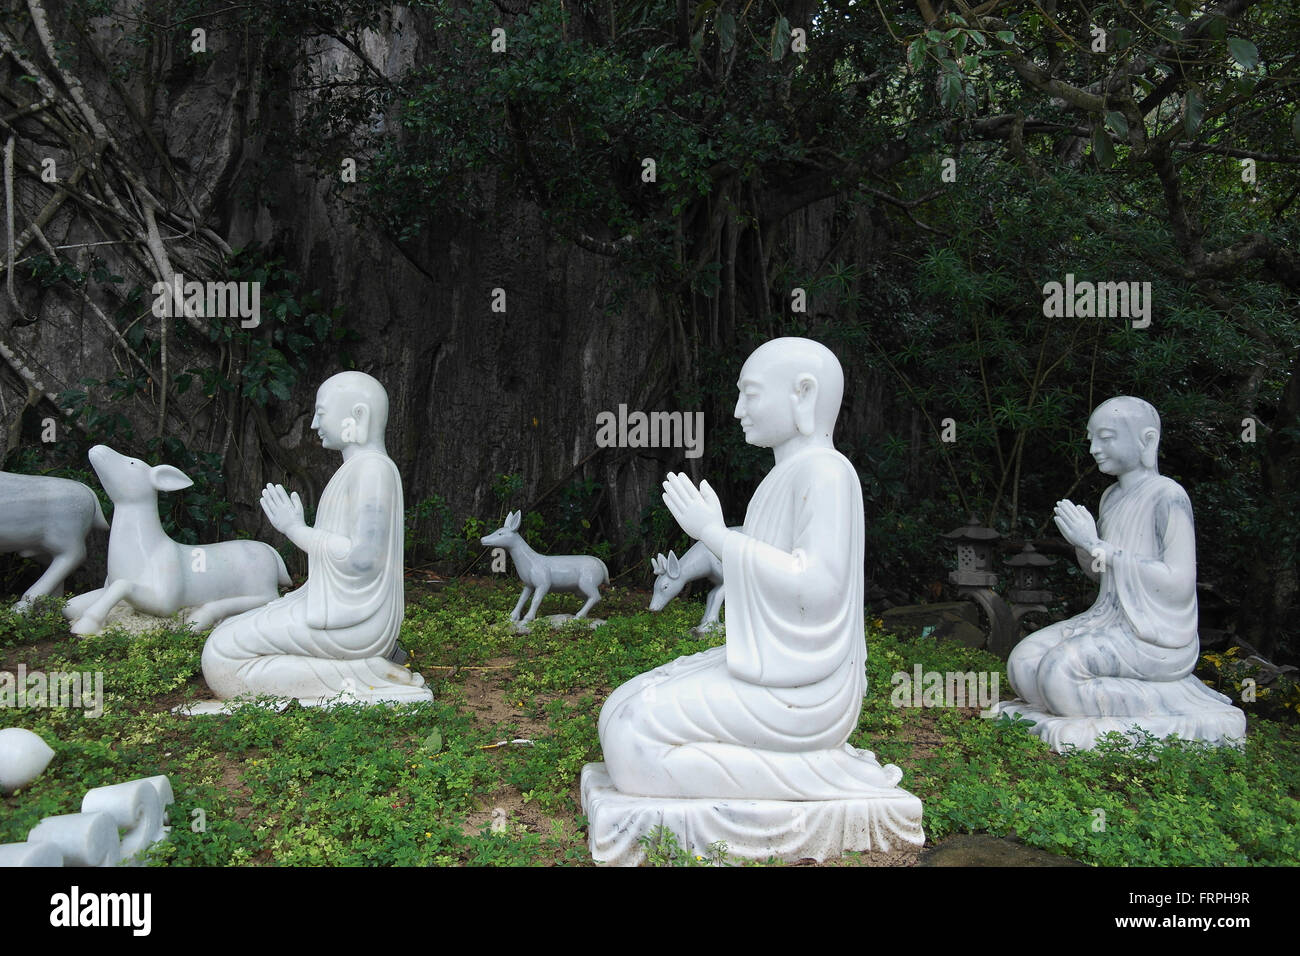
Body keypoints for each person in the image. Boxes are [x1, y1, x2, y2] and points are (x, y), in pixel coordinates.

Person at [598, 337, 904, 799]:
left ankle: (818, 777)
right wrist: (717, 535)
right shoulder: (779, 479)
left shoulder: (827, 473)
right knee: (617, 708)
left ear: (803, 394)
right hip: (773, 667)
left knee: (628, 735)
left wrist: (718, 537)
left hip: (805, 689)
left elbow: (816, 587)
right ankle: (776, 771)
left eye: (751, 394)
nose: (738, 410)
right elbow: (766, 591)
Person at [1002, 396, 1245, 747]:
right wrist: (1084, 545)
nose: (1094, 449)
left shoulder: (1169, 497)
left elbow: (1177, 582)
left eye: (1106, 437)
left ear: (1146, 440)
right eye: (1091, 439)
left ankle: (1175, 702)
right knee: (1023, 665)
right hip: (1109, 619)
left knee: (1057, 675)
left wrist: (1100, 546)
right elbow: (1103, 576)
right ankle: (1129, 701)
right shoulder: (1111, 497)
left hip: (1154, 634)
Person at [201, 372, 432, 705]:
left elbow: (362, 560)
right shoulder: (361, 469)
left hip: (355, 623)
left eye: (322, 413)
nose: (313, 424)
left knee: (221, 657)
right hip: (336, 610)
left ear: (359, 416)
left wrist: (296, 530)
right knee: (224, 637)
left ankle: (368, 675)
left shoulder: (373, 470)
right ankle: (366, 671)